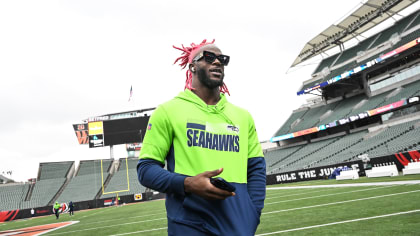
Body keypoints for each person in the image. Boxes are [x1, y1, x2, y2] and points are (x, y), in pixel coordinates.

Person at [137, 40, 266, 236]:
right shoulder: (167, 111)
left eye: (222, 59)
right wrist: (188, 183)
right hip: (189, 226)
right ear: (192, 67)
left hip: (238, 226)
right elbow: (146, 170)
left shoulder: (243, 117)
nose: (217, 62)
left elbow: (256, 168)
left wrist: (252, 212)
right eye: (209, 58)